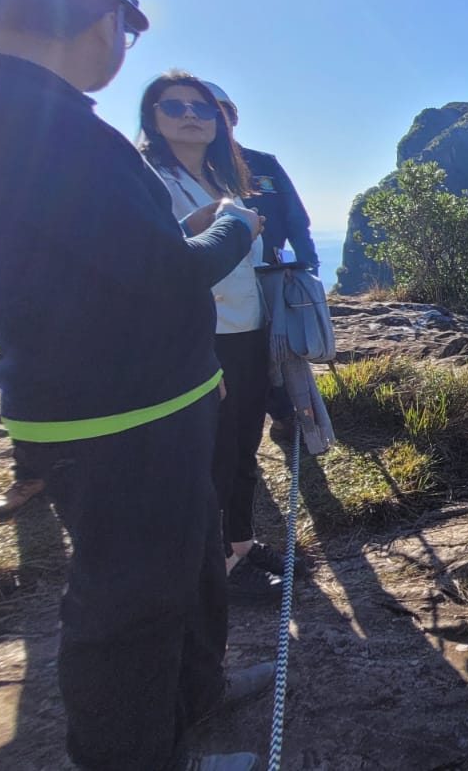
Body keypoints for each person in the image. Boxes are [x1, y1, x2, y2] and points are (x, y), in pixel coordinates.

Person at [0, 0, 266, 771]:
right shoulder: (46, 127)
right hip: (121, 419)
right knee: (129, 606)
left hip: (140, 401)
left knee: (192, 562)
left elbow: (108, 262)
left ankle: (197, 697)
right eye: (127, 27)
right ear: (101, 18)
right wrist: (234, 226)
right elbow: (167, 275)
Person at [139, 72, 286, 601]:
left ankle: (240, 543)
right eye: (173, 106)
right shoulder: (146, 179)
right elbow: (157, 272)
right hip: (200, 336)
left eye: (202, 108)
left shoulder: (223, 182)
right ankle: (213, 567)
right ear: (151, 117)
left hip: (245, 329)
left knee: (243, 444)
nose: (190, 115)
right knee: (210, 454)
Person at [202, 80, 320, 447]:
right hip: (208, 284)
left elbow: (295, 218)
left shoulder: (263, 164)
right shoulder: (180, 170)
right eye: (210, 109)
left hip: (268, 276)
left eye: (226, 111)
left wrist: (308, 269)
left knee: (278, 353)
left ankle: (285, 415)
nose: (219, 119)